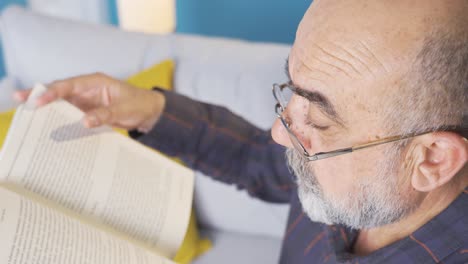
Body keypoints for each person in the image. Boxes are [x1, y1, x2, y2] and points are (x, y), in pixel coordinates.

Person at [14, 0, 468, 263]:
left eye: (320, 119)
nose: (279, 132)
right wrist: (148, 108)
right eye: (292, 89)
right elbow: (261, 161)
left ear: (431, 160)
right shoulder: (352, 173)